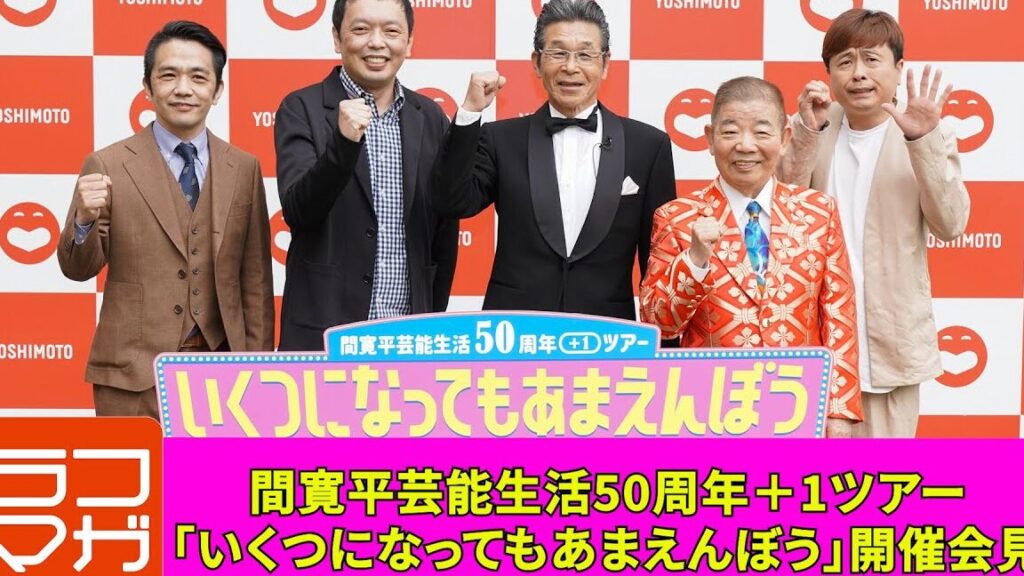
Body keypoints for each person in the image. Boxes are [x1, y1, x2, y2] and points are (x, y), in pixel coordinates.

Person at [57, 20, 274, 418]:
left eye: (198, 77)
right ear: (148, 86)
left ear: (218, 90)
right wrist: (83, 220)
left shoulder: (244, 168)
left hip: (224, 374)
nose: (183, 88)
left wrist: (258, 367)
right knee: (132, 463)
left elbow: (255, 281)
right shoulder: (109, 164)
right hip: (132, 375)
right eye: (169, 75)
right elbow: (77, 268)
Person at [778, 9, 969, 438]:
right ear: (829, 72)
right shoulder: (813, 127)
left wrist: (922, 140)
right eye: (845, 61)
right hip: (813, 341)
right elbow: (782, 216)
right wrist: (806, 133)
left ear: (899, 69)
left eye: (871, 59)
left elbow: (951, 223)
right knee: (804, 476)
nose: (858, 73)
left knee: (882, 475)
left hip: (888, 344)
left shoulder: (926, 132)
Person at [640, 76, 862, 438]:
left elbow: (839, 317)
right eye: (730, 132)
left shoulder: (818, 212)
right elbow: (658, 323)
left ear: (785, 137)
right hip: (707, 413)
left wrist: (839, 411)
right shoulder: (677, 217)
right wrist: (695, 261)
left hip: (799, 407)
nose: (745, 146)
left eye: (761, 132)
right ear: (710, 138)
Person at [433, 0, 675, 321]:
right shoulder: (500, 139)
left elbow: (659, 261)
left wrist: (662, 343)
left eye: (585, 55)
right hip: (515, 330)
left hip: (607, 333)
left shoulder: (648, 146)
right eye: (558, 53)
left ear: (605, 64)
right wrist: (469, 113)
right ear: (537, 63)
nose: (570, 67)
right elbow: (452, 201)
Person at [275, 0, 458, 351]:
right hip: (327, 335)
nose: (376, 42)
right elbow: (299, 211)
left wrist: (431, 319)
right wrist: (343, 143)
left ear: (409, 42)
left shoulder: (430, 117)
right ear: (337, 38)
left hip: (408, 336)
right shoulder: (302, 108)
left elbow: (444, 233)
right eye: (361, 29)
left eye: (391, 31)